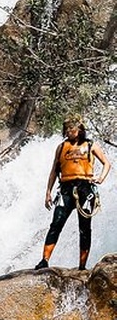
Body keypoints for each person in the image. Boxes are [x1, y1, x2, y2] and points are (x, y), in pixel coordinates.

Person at [35, 114, 111, 270]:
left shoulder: (91, 145)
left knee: (85, 227)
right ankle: (44, 260)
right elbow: (54, 171)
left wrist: (101, 178)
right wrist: (48, 192)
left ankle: (82, 266)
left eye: (71, 128)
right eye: (66, 129)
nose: (68, 131)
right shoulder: (62, 147)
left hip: (86, 189)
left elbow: (106, 163)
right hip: (66, 190)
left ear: (79, 129)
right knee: (56, 223)